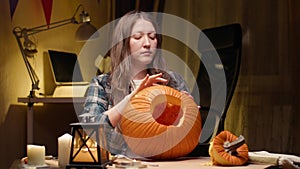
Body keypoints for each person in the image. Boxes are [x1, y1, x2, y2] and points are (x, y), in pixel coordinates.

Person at [81, 10, 191, 157]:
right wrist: (130, 99)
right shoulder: (102, 84)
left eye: (152, 37)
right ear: (124, 43)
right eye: (138, 37)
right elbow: (90, 130)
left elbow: (188, 136)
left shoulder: (174, 81)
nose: (147, 43)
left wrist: (188, 114)